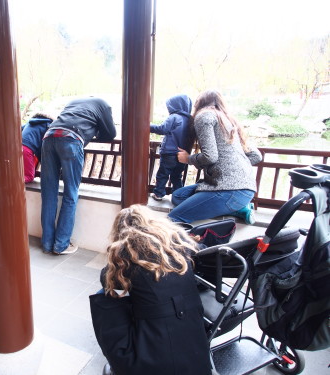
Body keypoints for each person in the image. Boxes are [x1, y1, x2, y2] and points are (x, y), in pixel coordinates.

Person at [91, 204, 212, 375]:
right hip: (195, 350)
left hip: (150, 361)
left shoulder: (122, 254)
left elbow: (107, 282)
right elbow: (204, 251)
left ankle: (119, 358)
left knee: (104, 295)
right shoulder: (179, 241)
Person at [169, 90, 262, 224]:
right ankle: (240, 208)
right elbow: (256, 155)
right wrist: (233, 168)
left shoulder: (204, 116)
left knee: (173, 218)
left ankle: (235, 206)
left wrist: (188, 159)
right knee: (178, 196)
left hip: (230, 191)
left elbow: (210, 157)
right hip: (245, 190)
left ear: (199, 104)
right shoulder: (229, 120)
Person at [40, 97, 117, 255]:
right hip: (71, 139)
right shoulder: (104, 104)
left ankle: (47, 243)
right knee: (71, 194)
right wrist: (95, 131)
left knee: (48, 193)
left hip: (49, 137)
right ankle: (61, 244)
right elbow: (110, 134)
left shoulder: (73, 102)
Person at [149, 94, 194, 201]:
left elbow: (162, 129)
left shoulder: (174, 117)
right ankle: (178, 195)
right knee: (176, 176)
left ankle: (159, 193)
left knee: (163, 174)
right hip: (183, 155)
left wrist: (147, 125)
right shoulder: (190, 120)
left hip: (169, 153)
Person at [21, 113, 54, 183]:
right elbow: (43, 147)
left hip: (18, 147)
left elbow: (20, 129)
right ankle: (12, 182)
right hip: (27, 149)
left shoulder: (30, 122)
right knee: (29, 177)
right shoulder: (48, 125)